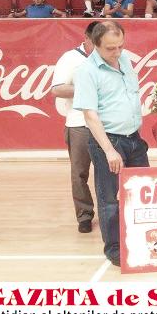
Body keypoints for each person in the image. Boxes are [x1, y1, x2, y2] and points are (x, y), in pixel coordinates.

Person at [73, 21, 150, 266]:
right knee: (110, 199)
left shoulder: (124, 59)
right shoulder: (86, 71)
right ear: (95, 45)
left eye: (120, 46)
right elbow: (90, 115)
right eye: (110, 48)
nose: (117, 52)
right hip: (109, 140)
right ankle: (115, 249)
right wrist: (108, 150)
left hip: (134, 138)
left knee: (141, 192)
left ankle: (140, 239)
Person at [51, 21, 99, 233]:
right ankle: (84, 215)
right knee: (79, 173)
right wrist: (86, 88)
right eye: (96, 42)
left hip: (106, 123)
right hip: (79, 123)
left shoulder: (109, 56)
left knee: (108, 172)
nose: (100, 46)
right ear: (86, 38)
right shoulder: (70, 58)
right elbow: (57, 89)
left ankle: (110, 212)